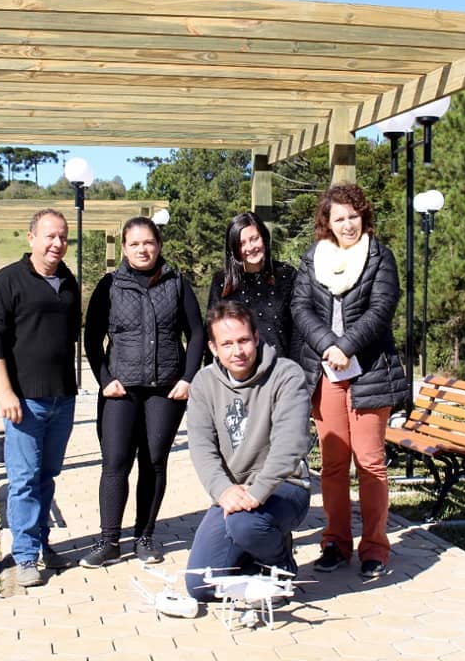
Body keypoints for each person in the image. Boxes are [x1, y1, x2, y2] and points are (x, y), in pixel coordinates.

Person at [291, 184, 409, 579]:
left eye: (353, 216)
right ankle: (335, 543)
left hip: (369, 371)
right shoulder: (314, 258)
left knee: (371, 462)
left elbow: (381, 309)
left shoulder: (379, 257)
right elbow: (300, 306)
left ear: (364, 217)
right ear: (327, 221)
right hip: (325, 372)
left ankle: (375, 547)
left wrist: (346, 346)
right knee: (333, 464)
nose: (347, 225)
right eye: (339, 218)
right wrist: (328, 346)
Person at [81, 216, 205, 567]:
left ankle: (145, 536)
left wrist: (188, 377)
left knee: (153, 462)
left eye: (148, 242)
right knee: (116, 463)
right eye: (134, 244)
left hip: (165, 390)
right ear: (124, 248)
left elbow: (196, 333)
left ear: (159, 245)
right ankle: (108, 540)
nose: (142, 249)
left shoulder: (177, 283)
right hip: (120, 389)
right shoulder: (109, 286)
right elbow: (92, 338)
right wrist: (105, 379)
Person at [185, 301, 311, 602]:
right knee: (199, 587)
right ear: (214, 348)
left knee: (246, 524)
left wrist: (256, 494)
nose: (237, 351)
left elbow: (289, 445)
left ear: (256, 337)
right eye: (226, 344)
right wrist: (224, 491)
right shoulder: (203, 383)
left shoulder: (286, 375)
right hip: (234, 493)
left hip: (284, 487)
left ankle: (280, 563)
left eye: (243, 340)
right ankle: (252, 555)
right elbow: (202, 448)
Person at [0, 209, 80, 588]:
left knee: (47, 475)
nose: (57, 244)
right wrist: (5, 392)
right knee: (22, 480)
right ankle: (24, 557)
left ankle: (41, 543)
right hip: (24, 400)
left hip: (62, 398)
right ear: (31, 238)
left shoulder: (68, 280)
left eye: (63, 237)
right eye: (50, 236)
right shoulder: (7, 281)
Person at [206, 212, 297, 360]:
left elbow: (297, 331)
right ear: (233, 248)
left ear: (264, 238)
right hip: (237, 371)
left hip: (281, 369)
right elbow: (212, 331)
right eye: (241, 243)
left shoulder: (286, 275)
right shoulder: (222, 281)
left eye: (254, 239)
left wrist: (296, 370)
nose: (250, 247)